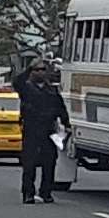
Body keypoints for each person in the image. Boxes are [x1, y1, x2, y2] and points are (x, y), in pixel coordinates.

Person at [17, 60, 68, 204]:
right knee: (29, 163)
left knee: (50, 162)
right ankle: (28, 193)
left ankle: (46, 192)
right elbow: (17, 81)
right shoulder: (26, 88)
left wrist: (66, 124)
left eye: (43, 69)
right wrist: (29, 68)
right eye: (37, 70)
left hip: (48, 130)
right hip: (31, 129)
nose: (40, 72)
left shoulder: (51, 90)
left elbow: (61, 108)